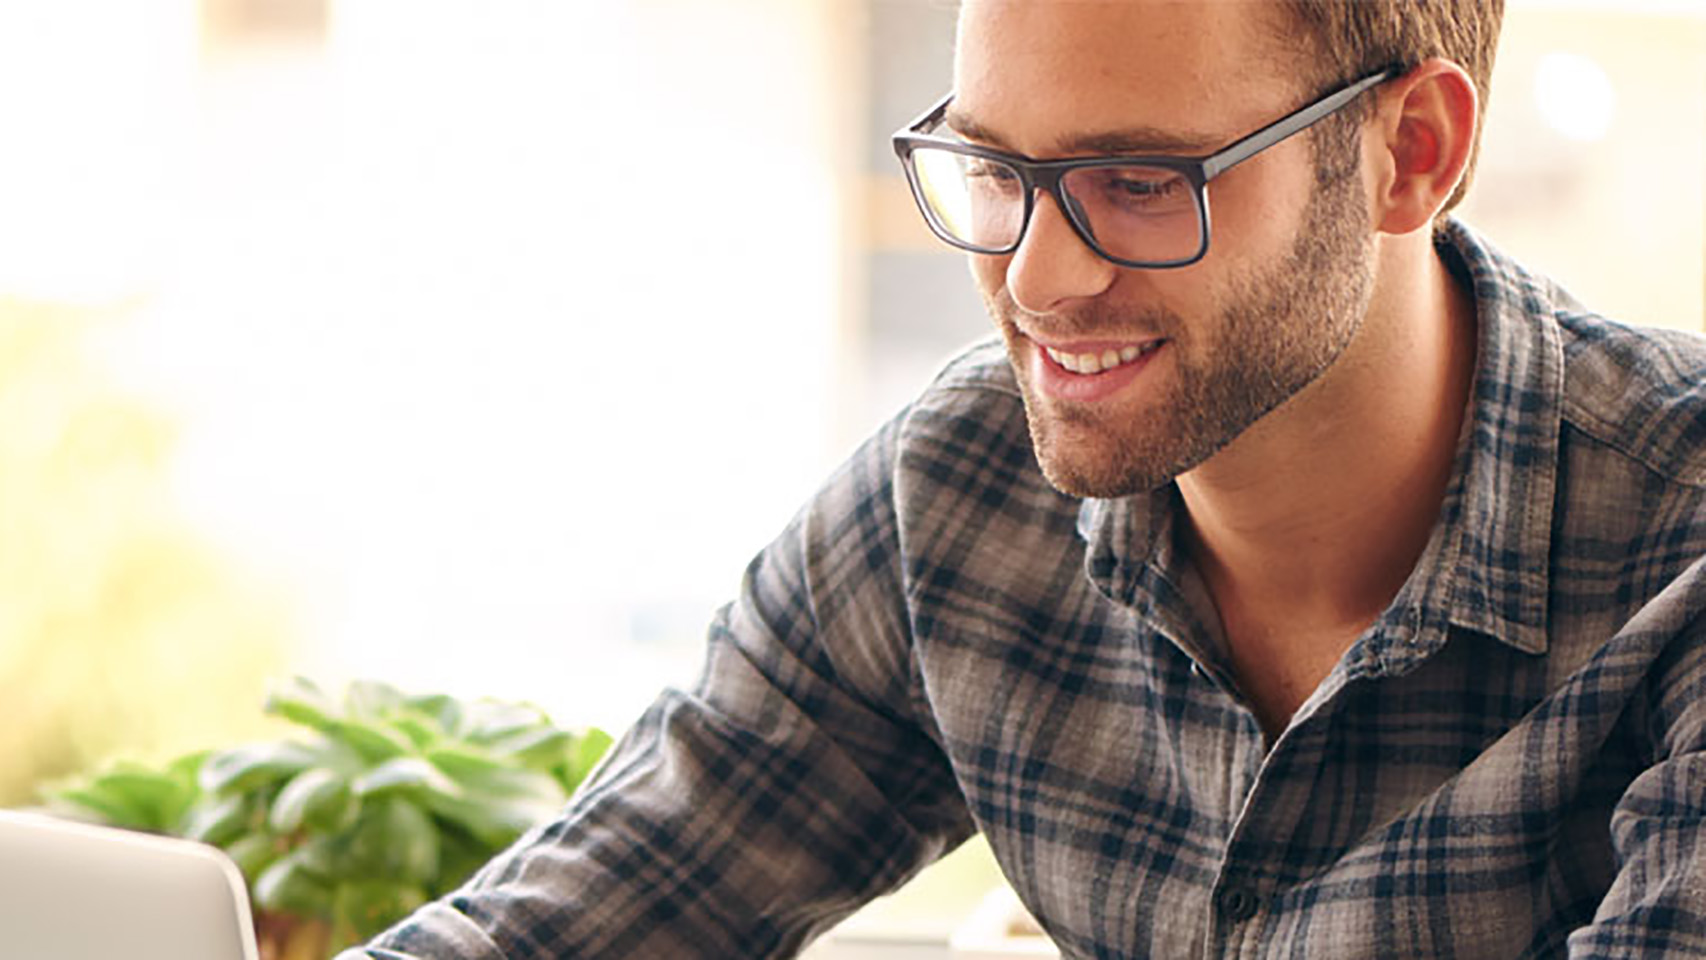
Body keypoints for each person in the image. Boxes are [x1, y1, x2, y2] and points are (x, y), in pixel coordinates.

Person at [344, 1, 1706, 956]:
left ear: (1411, 152)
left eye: (1138, 180)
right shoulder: (959, 496)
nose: (1036, 282)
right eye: (997, 169)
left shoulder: (1678, 537)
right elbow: (590, 912)